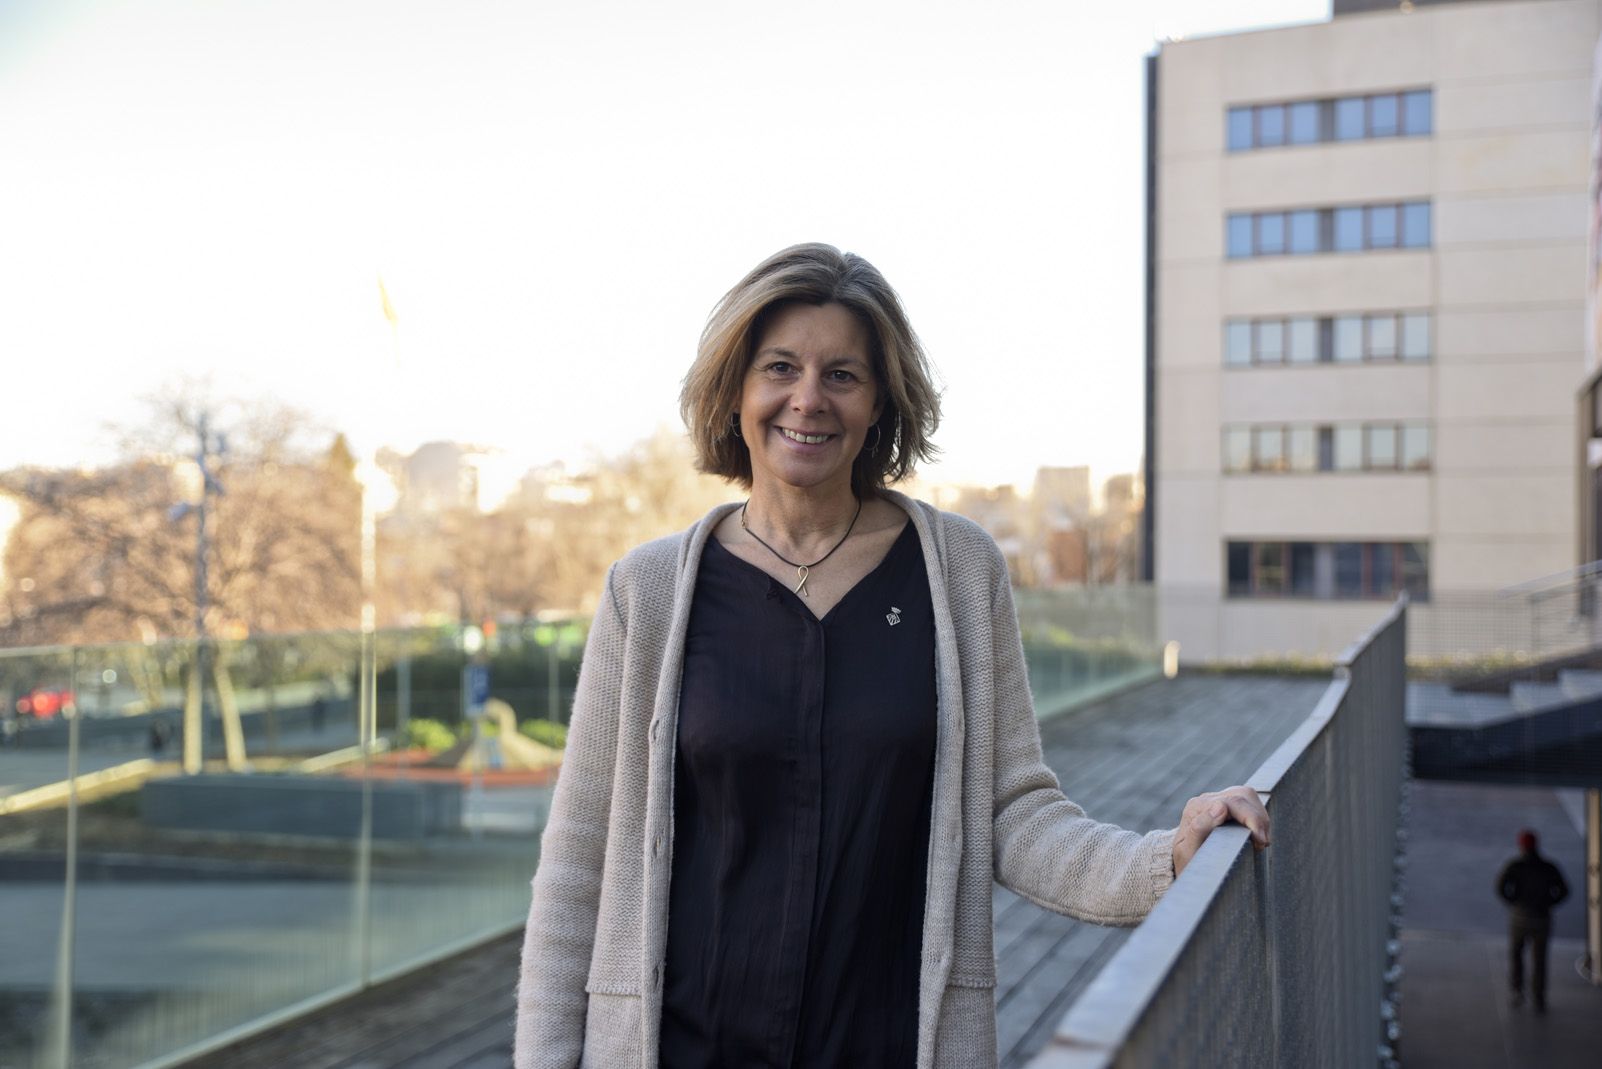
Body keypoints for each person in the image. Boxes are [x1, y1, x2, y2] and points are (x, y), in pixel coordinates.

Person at [514, 243, 1270, 1068]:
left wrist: (1167, 856)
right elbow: (578, 866)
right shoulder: (650, 592)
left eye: (843, 374)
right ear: (736, 390)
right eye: (780, 367)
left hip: (886, 1046)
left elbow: (1014, 813)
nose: (808, 399)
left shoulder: (958, 572)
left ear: (880, 404)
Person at [1497, 828, 1569, 1013]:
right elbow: (1563, 891)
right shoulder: (1548, 867)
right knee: (1540, 959)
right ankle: (1539, 996)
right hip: (1541, 919)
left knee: (1516, 955)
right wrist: (1548, 903)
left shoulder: (1515, 866)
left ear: (1521, 846)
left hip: (1520, 918)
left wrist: (1514, 901)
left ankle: (1517, 990)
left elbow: (1500, 888)